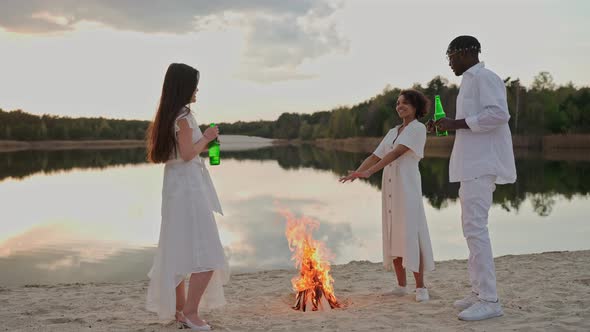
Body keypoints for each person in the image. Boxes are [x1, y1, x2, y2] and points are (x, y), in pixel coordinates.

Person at [428, 35, 516, 321]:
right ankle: (479, 292)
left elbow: (499, 114)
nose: (449, 61)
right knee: (471, 230)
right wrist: (448, 125)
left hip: (482, 164)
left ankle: (491, 300)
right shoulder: (468, 81)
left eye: (451, 55)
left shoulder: (485, 78)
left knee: (477, 230)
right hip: (469, 166)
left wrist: (455, 123)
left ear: (467, 52)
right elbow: (473, 121)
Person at [145, 63, 228, 331]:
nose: (197, 90)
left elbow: (184, 153)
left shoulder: (171, 115)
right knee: (208, 252)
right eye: (194, 84)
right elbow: (188, 153)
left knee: (179, 247)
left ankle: (181, 311)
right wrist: (208, 136)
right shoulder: (182, 117)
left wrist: (202, 141)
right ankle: (191, 313)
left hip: (177, 188)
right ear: (184, 87)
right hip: (187, 192)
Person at [340, 89, 435, 302]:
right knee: (393, 233)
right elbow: (376, 155)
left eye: (405, 103)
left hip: (407, 187)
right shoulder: (393, 131)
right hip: (390, 189)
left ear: (416, 107)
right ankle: (401, 286)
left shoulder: (418, 129)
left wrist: (369, 172)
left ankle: (421, 287)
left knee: (411, 233)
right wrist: (358, 171)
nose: (400, 106)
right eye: (398, 103)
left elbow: (395, 153)